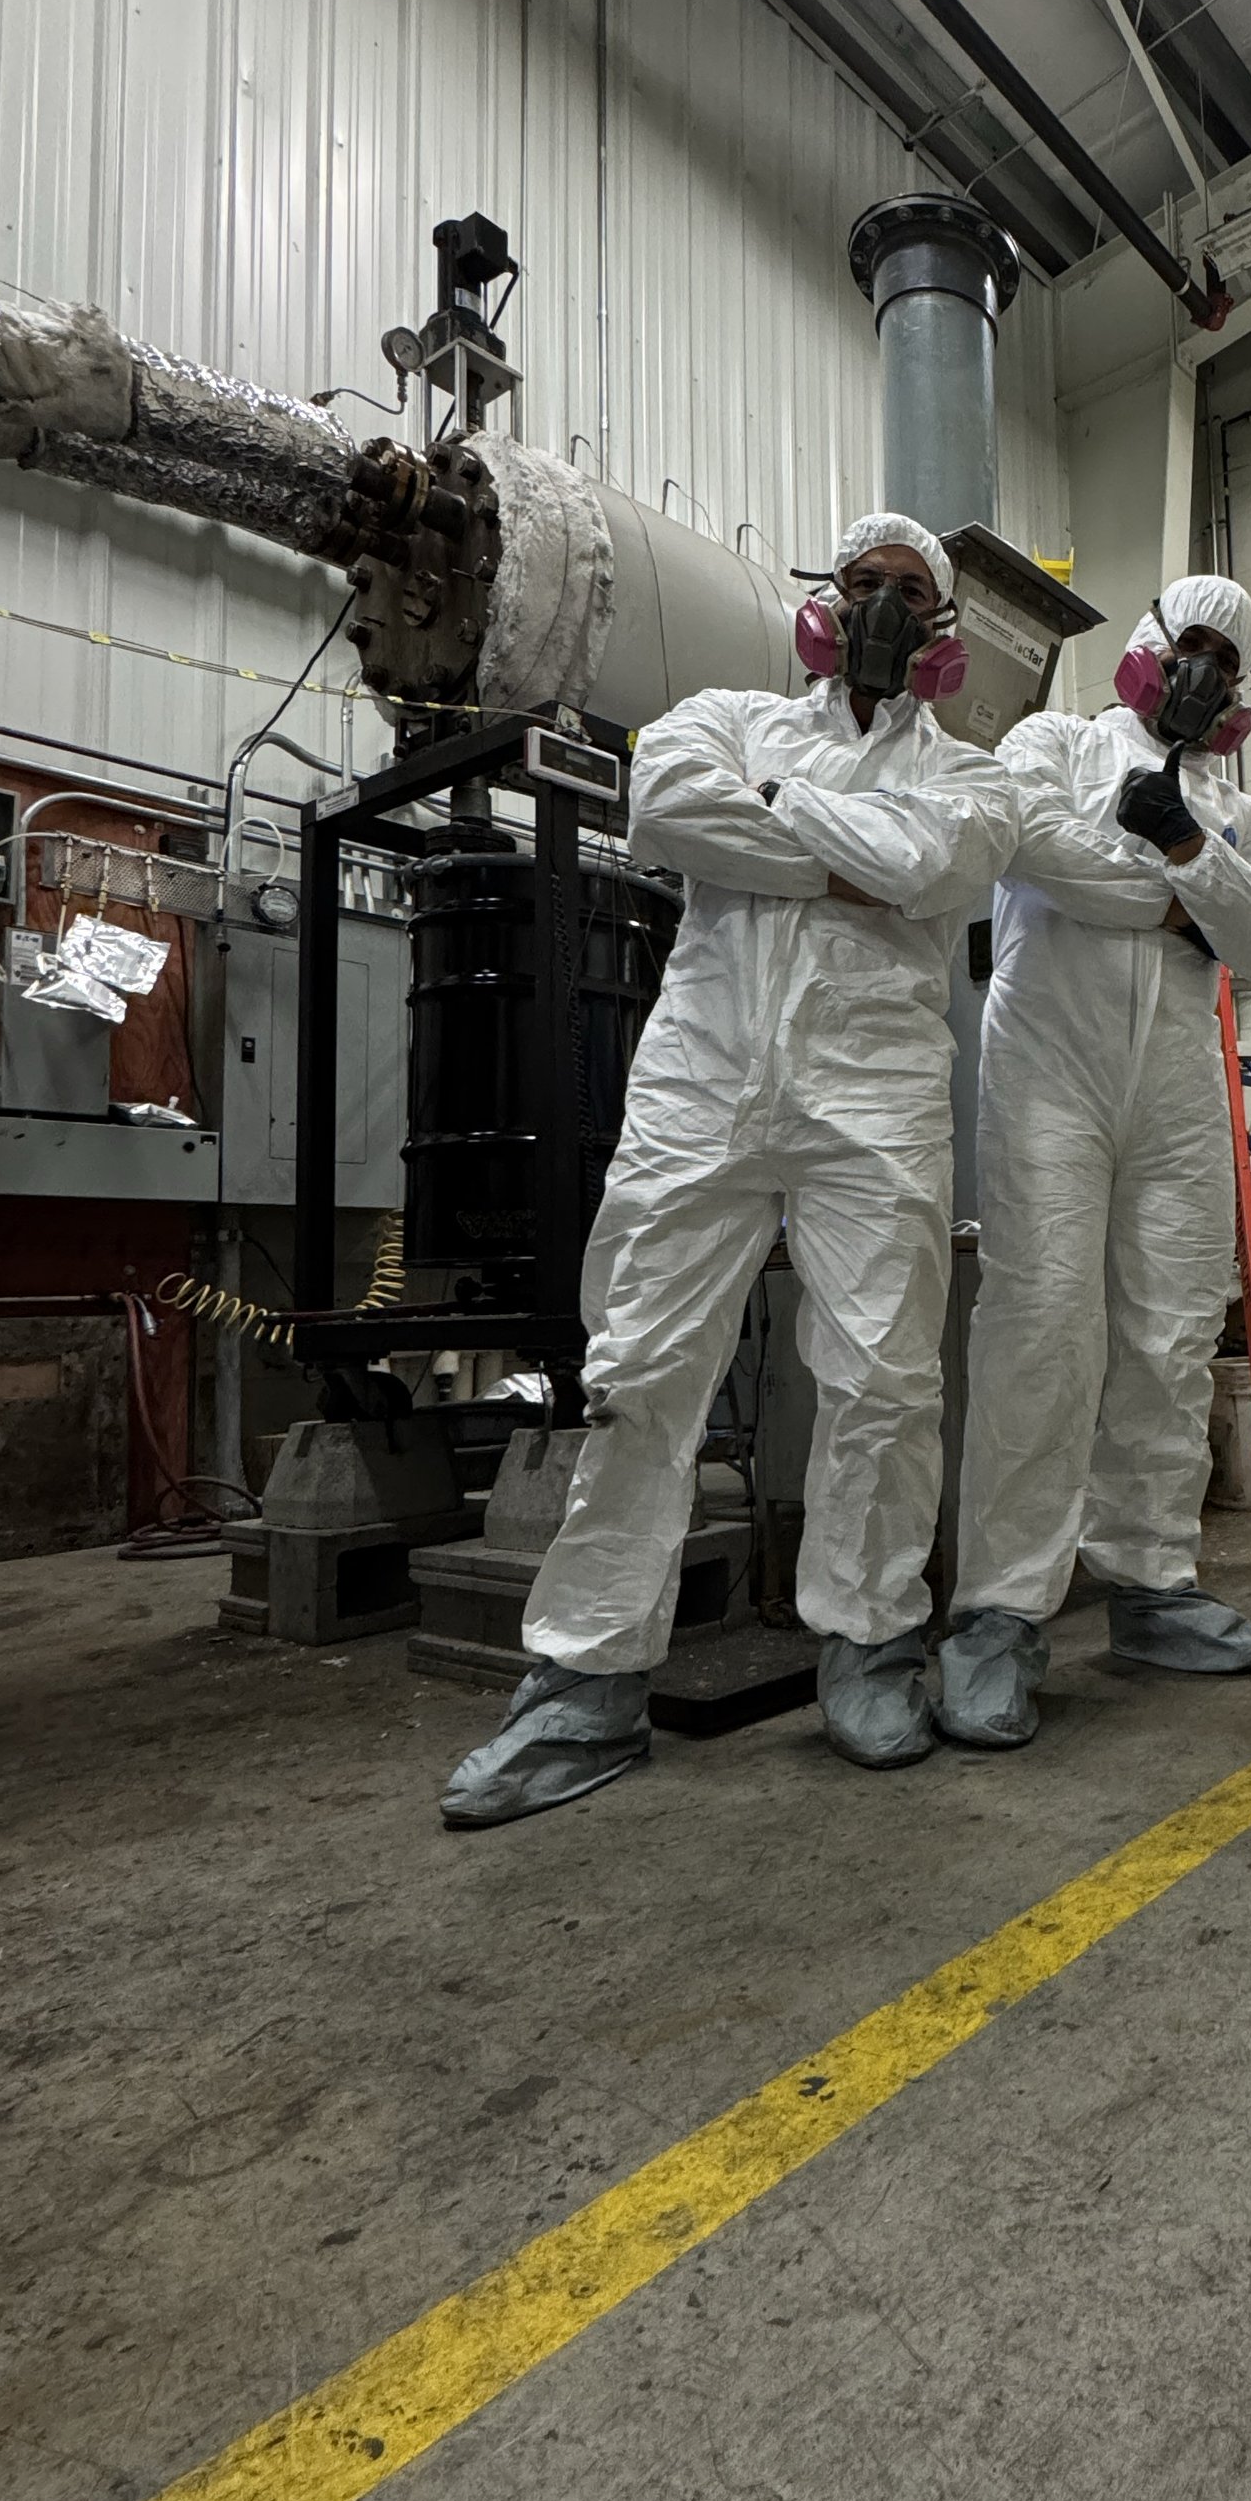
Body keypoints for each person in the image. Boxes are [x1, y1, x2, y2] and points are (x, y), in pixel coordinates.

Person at [440, 512, 1020, 1827]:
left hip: (875, 1096)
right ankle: (584, 1688)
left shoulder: (978, 778)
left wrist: (780, 828)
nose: (879, 604)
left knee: (884, 1379)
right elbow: (664, 811)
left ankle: (871, 1645)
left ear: (942, 632)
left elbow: (943, 868)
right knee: (640, 1370)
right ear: (825, 603)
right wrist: (854, 854)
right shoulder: (719, 719)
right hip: (704, 1080)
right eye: (861, 581)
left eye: (907, 591)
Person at [940, 575, 1251, 1746]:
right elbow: (1034, 853)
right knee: (1040, 1329)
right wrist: (1178, 900)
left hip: (1176, 1091)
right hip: (1051, 1067)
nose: (1201, 671)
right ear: (1147, 647)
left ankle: (1152, 1582)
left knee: (1168, 1332)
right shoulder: (1049, 740)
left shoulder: (1232, 811)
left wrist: (1190, 844)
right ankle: (1000, 1610)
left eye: (1224, 660)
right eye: (1187, 645)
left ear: (1240, 693)